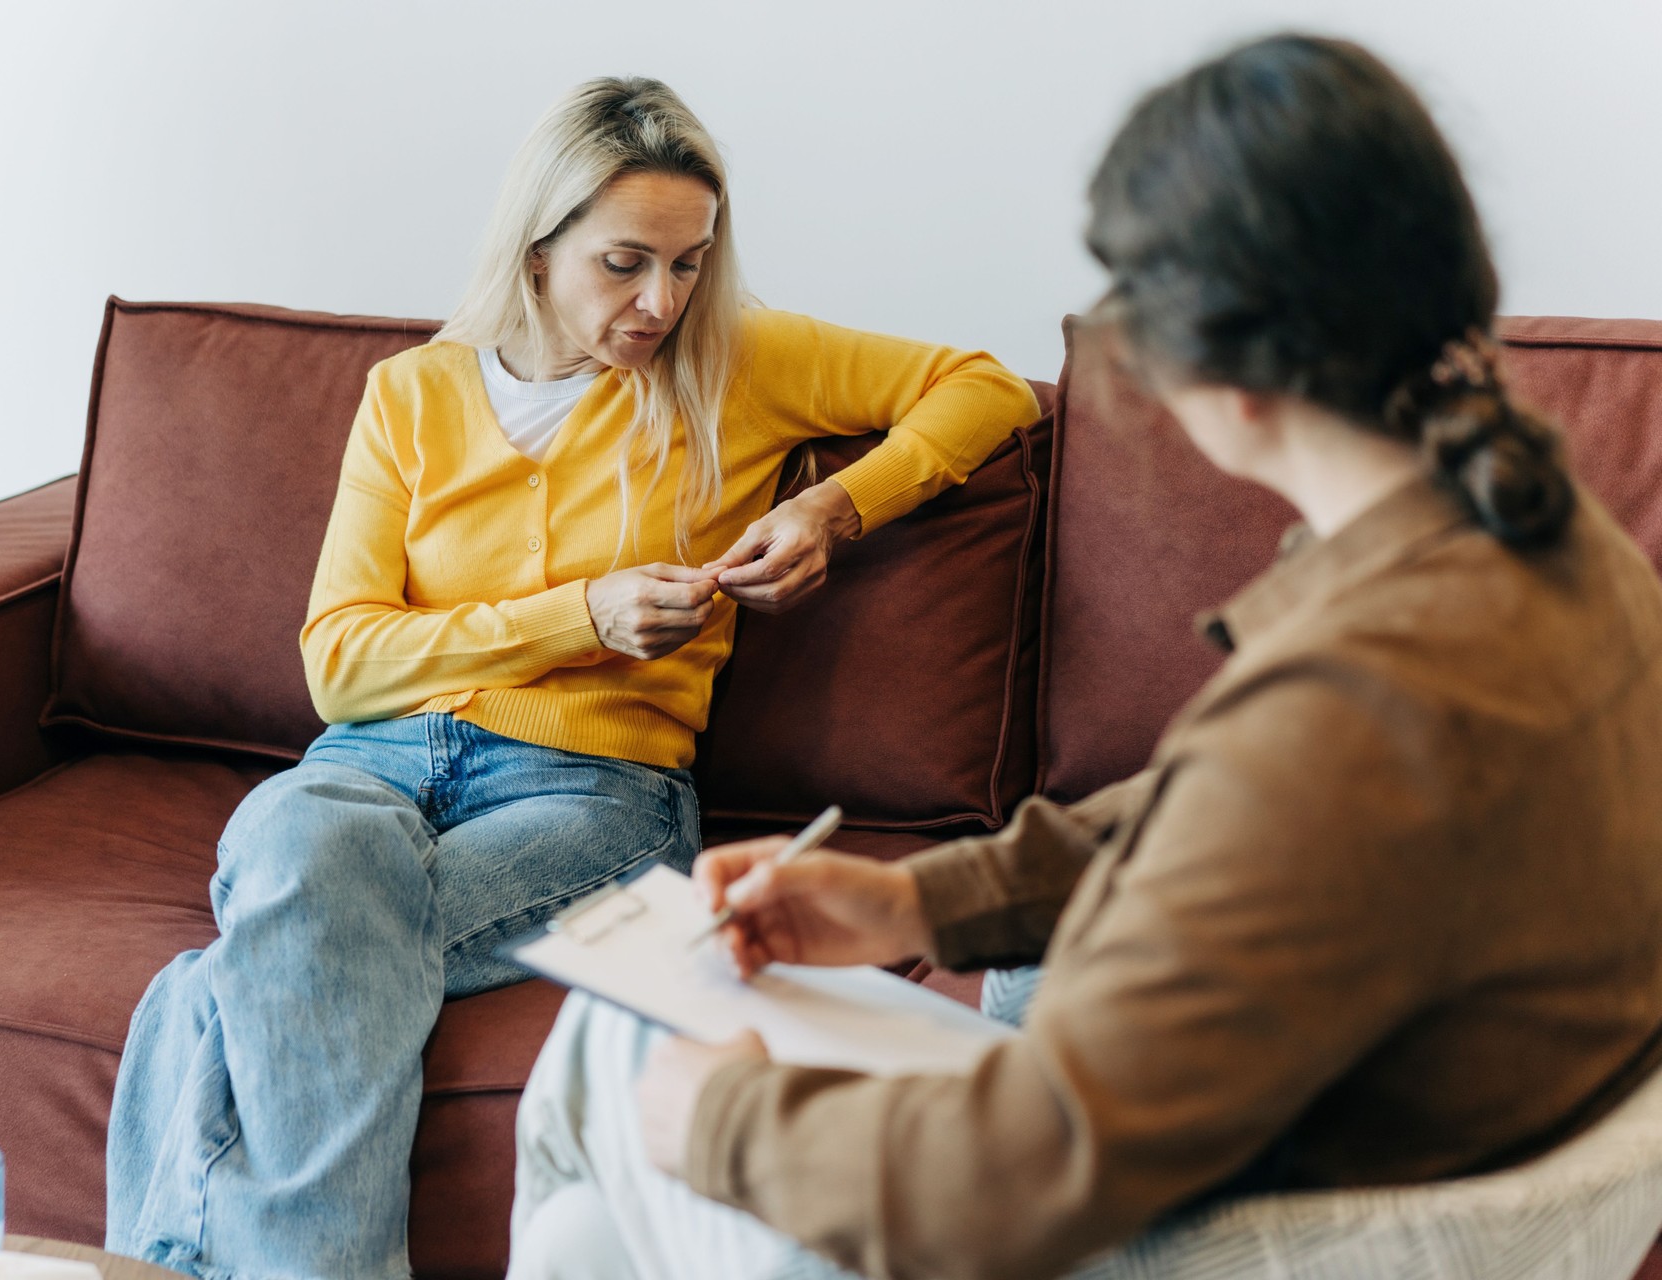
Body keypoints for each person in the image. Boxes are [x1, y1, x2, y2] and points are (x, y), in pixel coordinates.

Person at [507, 34, 1662, 1280]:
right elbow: (1236, 828)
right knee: (589, 1238)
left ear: (1219, 365)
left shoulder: (1346, 703)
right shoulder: (1559, 553)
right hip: (1359, 1171)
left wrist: (726, 1120)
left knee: (620, 1037)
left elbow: (1024, 1173)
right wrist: (912, 901)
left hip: (1219, 1235)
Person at [100, 75, 1038, 1280]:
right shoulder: (411, 396)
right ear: (537, 251)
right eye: (626, 262)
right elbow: (339, 663)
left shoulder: (735, 361)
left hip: (593, 788)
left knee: (277, 950)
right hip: (368, 764)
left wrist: (828, 508)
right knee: (300, 861)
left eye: (691, 263)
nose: (663, 300)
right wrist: (578, 613)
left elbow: (983, 384)